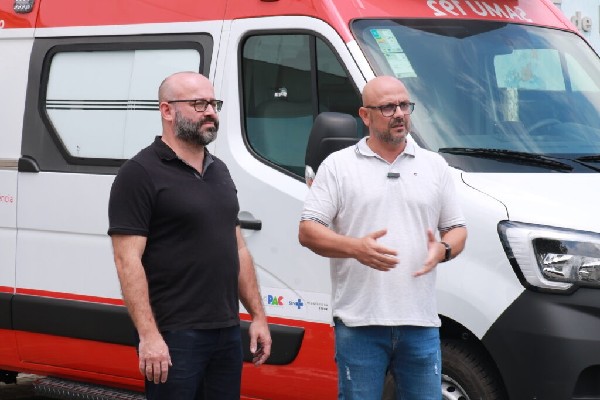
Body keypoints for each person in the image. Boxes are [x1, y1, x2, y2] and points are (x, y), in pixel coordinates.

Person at [298, 75, 467, 399]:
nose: (399, 114)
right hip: (360, 324)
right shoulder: (338, 166)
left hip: (420, 323)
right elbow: (308, 230)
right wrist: (355, 247)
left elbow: (457, 229)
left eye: (404, 105)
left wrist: (444, 249)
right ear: (365, 115)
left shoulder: (435, 166)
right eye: (388, 107)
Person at [108, 71, 271, 400]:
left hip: (225, 330)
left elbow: (237, 248)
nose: (210, 112)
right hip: (175, 335)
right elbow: (127, 261)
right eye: (199, 104)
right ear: (167, 110)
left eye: (213, 103)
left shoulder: (219, 170)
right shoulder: (139, 174)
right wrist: (149, 335)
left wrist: (257, 316)